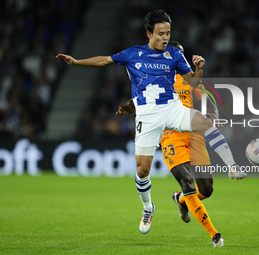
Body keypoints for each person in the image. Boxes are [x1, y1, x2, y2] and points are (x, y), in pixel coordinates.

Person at [56, 10, 246, 247]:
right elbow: (105, 60)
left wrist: (199, 68)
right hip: (148, 116)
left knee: (205, 126)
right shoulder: (133, 54)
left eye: (168, 33)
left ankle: (232, 166)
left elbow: (195, 84)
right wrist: (76, 62)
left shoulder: (174, 55)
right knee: (143, 171)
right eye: (161, 33)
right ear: (149, 33)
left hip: (171, 109)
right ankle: (148, 207)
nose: (165, 37)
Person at [116, 40, 236, 247]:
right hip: (171, 137)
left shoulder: (189, 80)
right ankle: (214, 234)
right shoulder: (156, 80)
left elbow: (208, 98)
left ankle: (180, 200)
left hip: (194, 136)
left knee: (206, 189)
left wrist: (213, 117)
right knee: (187, 182)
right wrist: (129, 106)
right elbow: (142, 100)